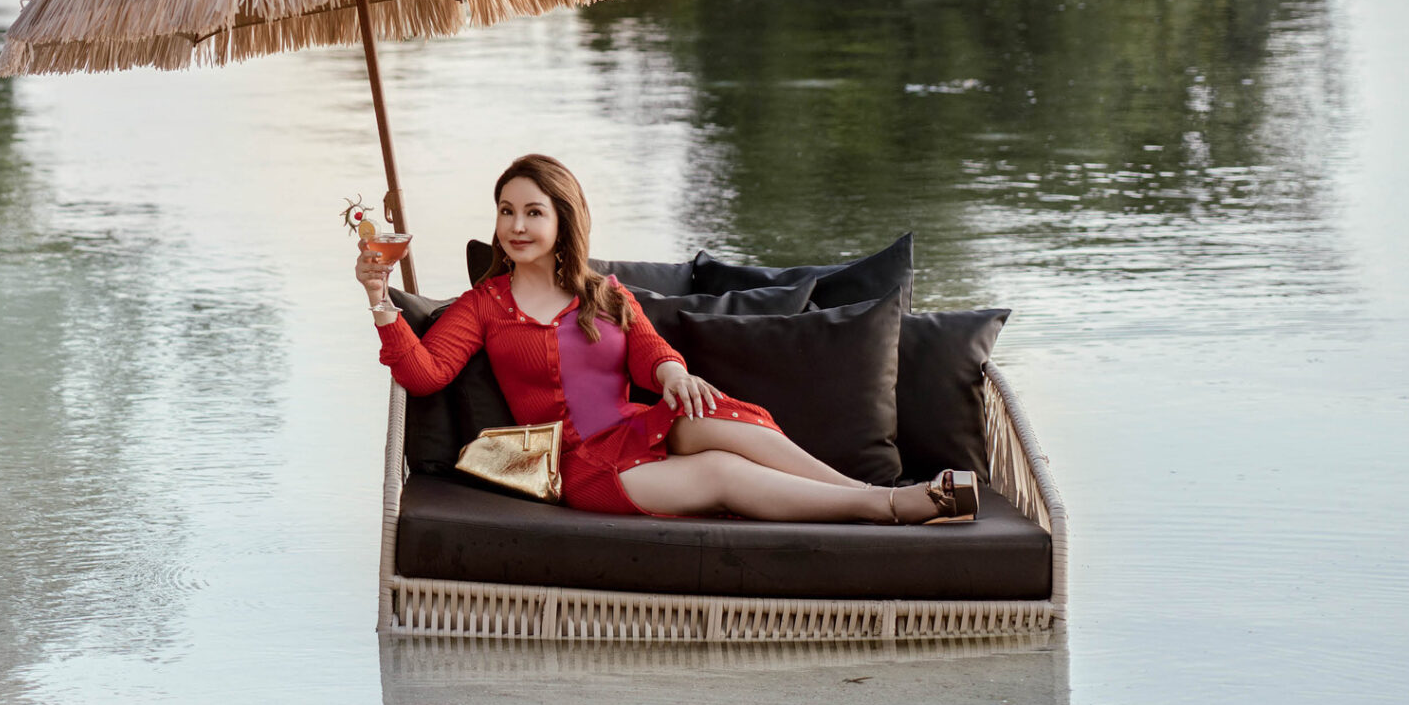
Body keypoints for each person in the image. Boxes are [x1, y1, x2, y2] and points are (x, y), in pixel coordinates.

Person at [357, 153, 975, 524]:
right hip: (577, 466)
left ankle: (867, 494)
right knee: (719, 472)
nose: (516, 225)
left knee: (713, 416)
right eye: (506, 210)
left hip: (633, 428)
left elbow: (653, 353)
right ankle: (890, 509)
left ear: (562, 218)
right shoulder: (484, 305)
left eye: (533, 211)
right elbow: (425, 374)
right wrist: (380, 300)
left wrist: (674, 376)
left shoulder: (604, 294)